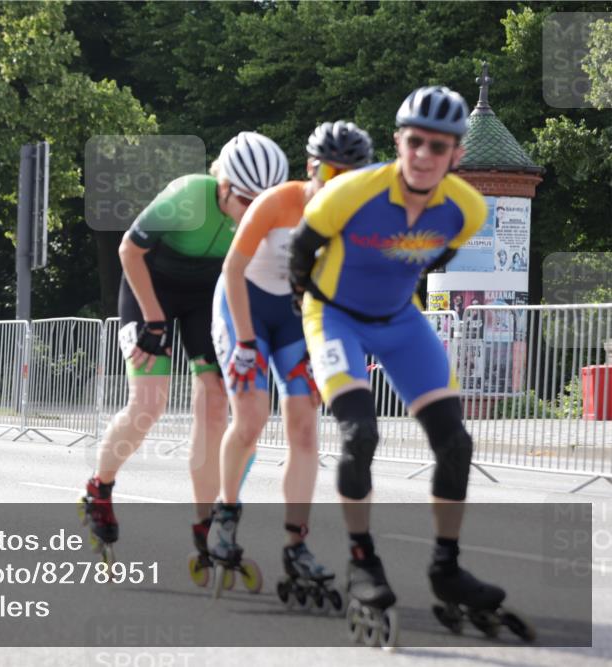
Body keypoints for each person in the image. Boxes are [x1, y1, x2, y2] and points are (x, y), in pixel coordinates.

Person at [288, 85, 533, 645]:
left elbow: (437, 255)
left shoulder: (466, 209)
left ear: (456, 156)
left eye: (439, 145)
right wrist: (314, 330)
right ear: (399, 141)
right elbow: (300, 259)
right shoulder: (349, 193)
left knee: (456, 443)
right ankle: (362, 561)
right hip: (334, 317)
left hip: (401, 320)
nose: (424, 153)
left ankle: (446, 569)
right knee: (360, 434)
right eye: (415, 140)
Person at [80, 132, 289, 563]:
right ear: (225, 186)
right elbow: (129, 250)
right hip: (150, 284)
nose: (256, 213)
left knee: (215, 403)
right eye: (247, 201)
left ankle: (204, 520)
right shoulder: (190, 195)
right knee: (148, 404)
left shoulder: (267, 210)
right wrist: (154, 321)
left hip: (205, 295)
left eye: (263, 202)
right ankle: (99, 488)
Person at [208, 121, 373, 605]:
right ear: (311, 169)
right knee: (252, 417)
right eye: (330, 171)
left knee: (305, 428)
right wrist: (241, 343)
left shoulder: (352, 214)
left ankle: (296, 542)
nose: (339, 180)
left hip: (295, 318)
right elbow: (233, 270)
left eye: (349, 174)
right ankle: (225, 514)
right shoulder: (279, 201)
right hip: (244, 307)